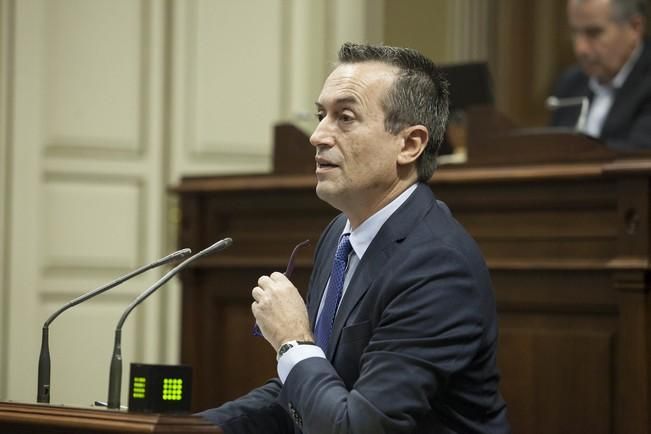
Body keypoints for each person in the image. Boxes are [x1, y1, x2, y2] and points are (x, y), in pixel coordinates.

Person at [198, 42, 510, 434]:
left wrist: (293, 342)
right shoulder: (341, 236)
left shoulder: (437, 265)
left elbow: (358, 426)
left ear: (410, 144)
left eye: (344, 118)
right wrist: (188, 429)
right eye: (320, 115)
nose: (317, 136)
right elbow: (303, 392)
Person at [550, 0, 651, 150]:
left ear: (634, 28)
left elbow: (638, 153)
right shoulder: (570, 83)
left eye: (594, 33)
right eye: (574, 32)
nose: (580, 49)